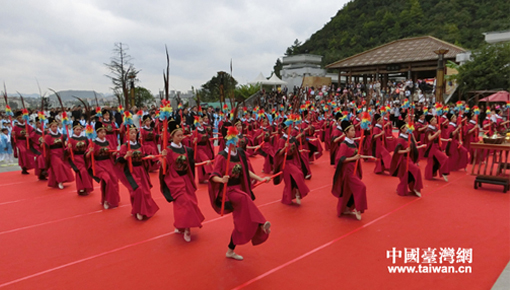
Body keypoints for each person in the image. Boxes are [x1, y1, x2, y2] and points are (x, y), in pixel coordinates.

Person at [208, 125, 271, 261]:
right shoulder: (222, 156)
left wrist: (261, 178)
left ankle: (230, 250)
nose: (238, 142)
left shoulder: (240, 153)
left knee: (240, 223)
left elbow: (245, 171)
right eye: (235, 139)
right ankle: (261, 223)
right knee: (244, 198)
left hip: (239, 188)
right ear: (229, 141)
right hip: (229, 191)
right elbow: (213, 176)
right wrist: (221, 179)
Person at [160, 119, 205, 242]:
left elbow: (190, 166)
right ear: (172, 136)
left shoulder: (186, 150)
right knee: (183, 203)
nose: (180, 138)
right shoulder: (168, 150)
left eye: (182, 135)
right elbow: (165, 168)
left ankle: (181, 225)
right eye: (178, 135)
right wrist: (163, 158)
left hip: (186, 179)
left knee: (190, 202)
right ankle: (187, 229)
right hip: (175, 180)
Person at [331, 120, 372, 220]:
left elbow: (356, 155)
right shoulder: (344, 144)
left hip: (354, 170)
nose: (354, 132)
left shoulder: (353, 143)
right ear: (346, 132)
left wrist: (365, 156)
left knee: (348, 191)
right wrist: (354, 158)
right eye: (352, 130)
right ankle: (358, 208)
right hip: (348, 172)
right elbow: (340, 159)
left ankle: (345, 208)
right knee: (361, 187)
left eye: (354, 130)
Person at [117, 125, 159, 220]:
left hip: (141, 170)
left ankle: (139, 210)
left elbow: (143, 156)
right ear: (127, 134)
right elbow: (119, 160)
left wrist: (150, 157)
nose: (133, 134)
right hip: (130, 171)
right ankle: (139, 210)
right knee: (137, 190)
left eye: (134, 132)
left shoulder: (139, 145)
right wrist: (126, 156)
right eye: (131, 133)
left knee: (146, 191)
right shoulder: (124, 146)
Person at [273, 120, 310, 205]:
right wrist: (284, 148)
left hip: (293, 161)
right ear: (285, 129)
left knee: (296, 177)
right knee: (295, 176)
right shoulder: (282, 140)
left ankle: (295, 194)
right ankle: (295, 195)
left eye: (292, 127)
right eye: (290, 128)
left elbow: (296, 149)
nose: (292, 129)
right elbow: (278, 153)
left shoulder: (292, 138)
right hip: (286, 163)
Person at [87, 121, 120, 209]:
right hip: (99, 165)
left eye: (104, 132)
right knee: (107, 179)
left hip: (109, 163)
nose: (103, 133)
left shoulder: (108, 142)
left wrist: (114, 154)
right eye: (101, 132)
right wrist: (90, 151)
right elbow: (86, 156)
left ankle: (112, 199)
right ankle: (107, 200)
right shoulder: (93, 143)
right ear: (97, 133)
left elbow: (112, 152)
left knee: (114, 179)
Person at [390, 120, 426, 197]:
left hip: (410, 159)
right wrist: (405, 150)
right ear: (402, 129)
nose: (407, 128)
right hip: (404, 159)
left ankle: (408, 188)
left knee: (407, 175)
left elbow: (413, 148)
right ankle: (416, 188)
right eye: (406, 127)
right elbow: (397, 151)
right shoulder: (400, 139)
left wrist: (420, 147)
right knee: (416, 170)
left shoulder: (409, 137)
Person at [42, 117, 75, 189]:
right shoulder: (48, 136)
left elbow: (64, 144)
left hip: (61, 153)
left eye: (56, 126)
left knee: (59, 167)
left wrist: (68, 147)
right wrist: (43, 144)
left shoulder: (61, 135)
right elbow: (45, 147)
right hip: (53, 154)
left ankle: (56, 181)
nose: (55, 128)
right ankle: (60, 181)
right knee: (58, 165)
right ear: (50, 127)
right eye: (53, 126)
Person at [68, 121, 94, 195]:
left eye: (80, 129)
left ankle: (87, 188)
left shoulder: (85, 138)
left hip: (85, 157)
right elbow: (68, 150)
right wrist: (68, 147)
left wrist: (91, 149)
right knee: (82, 171)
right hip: (77, 158)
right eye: (77, 130)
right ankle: (81, 188)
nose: (79, 131)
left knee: (87, 171)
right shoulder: (71, 139)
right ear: (74, 130)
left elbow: (89, 146)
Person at [423, 115, 450, 181]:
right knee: (444, 158)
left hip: (436, 146)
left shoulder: (435, 128)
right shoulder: (428, 130)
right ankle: (444, 172)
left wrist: (446, 140)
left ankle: (431, 174)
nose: (436, 121)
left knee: (434, 161)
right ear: (430, 121)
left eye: (435, 120)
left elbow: (439, 138)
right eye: (434, 120)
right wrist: (437, 133)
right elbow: (429, 138)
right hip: (432, 147)